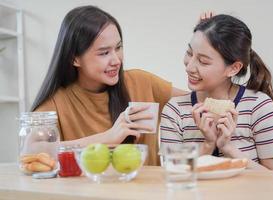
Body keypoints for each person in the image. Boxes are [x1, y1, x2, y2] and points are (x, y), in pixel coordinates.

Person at [31, 5, 186, 165]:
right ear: (74, 58)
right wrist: (108, 137)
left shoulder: (141, 83)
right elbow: (31, 150)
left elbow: (199, 100)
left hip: (148, 190)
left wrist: (204, 40)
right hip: (87, 190)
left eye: (118, 48)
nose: (116, 60)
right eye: (104, 53)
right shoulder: (57, 102)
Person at [160, 14, 273, 170]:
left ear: (233, 68)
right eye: (190, 53)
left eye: (203, 61)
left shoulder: (259, 107)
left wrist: (227, 147)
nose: (189, 67)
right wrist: (208, 145)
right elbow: (172, 175)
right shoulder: (174, 111)